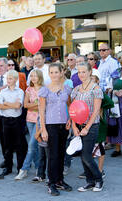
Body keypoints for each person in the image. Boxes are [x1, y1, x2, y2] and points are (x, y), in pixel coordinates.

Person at [39, 63, 72, 196]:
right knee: (52, 155)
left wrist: (70, 119)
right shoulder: (44, 90)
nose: (54, 75)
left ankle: (60, 180)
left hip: (63, 125)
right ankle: (51, 183)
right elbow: (41, 111)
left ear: (61, 73)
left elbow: (70, 106)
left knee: (61, 154)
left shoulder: (67, 89)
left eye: (56, 72)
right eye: (51, 72)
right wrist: (43, 129)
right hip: (50, 125)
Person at [70, 62, 104, 192]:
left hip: (91, 126)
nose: (81, 74)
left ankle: (99, 180)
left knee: (86, 156)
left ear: (90, 72)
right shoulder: (76, 89)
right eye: (79, 72)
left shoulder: (96, 89)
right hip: (78, 125)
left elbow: (96, 111)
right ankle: (89, 182)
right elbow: (73, 109)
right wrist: (74, 126)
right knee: (83, 156)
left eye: (84, 72)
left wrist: (87, 128)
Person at [78, 70, 113, 179]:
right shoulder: (82, 90)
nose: (90, 80)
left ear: (97, 80)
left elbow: (110, 103)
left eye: (93, 78)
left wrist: (100, 107)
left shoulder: (99, 91)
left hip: (99, 123)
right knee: (88, 148)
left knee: (99, 147)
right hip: (86, 122)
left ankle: (100, 170)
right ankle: (89, 169)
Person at [0, 70, 28, 176]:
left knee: (19, 144)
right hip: (5, 120)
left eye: (10, 78)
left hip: (16, 121)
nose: (8, 80)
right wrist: (10, 104)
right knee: (7, 145)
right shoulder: (3, 92)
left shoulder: (20, 92)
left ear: (15, 79)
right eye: (7, 78)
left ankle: (20, 167)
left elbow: (18, 106)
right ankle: (8, 167)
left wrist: (6, 103)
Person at [15, 69, 43, 180]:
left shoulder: (44, 90)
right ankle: (38, 168)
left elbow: (44, 106)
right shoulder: (28, 90)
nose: (33, 78)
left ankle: (24, 169)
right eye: (31, 76)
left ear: (40, 77)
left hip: (40, 120)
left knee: (31, 145)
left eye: (35, 76)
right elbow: (25, 105)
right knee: (34, 146)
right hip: (29, 120)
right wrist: (36, 105)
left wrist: (35, 105)